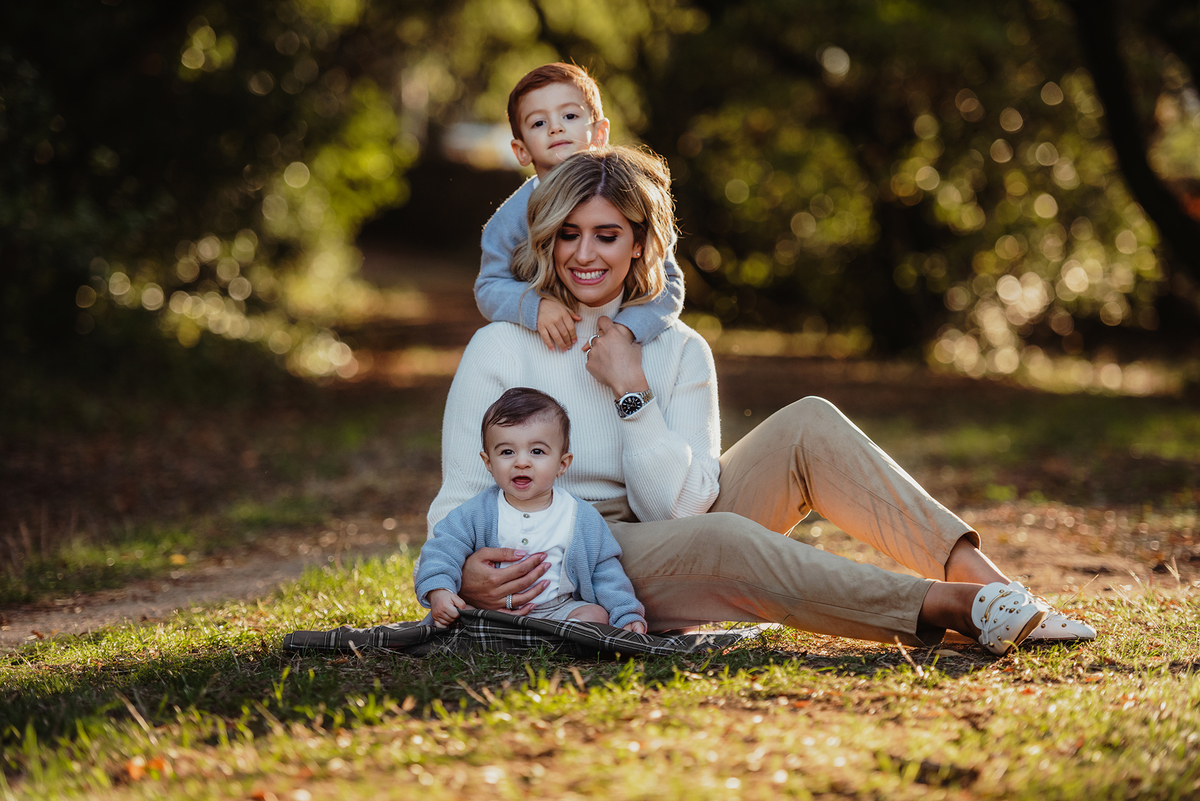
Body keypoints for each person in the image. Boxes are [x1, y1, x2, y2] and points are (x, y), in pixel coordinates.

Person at [426, 145, 1097, 656]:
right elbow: (460, 496)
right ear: (547, 240)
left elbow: (678, 506)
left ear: (639, 243)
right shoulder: (502, 346)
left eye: (607, 234)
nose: (585, 255)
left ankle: (994, 589)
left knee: (808, 422)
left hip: (669, 522)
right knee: (722, 538)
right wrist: (458, 574)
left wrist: (632, 390)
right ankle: (944, 606)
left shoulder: (679, 347)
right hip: (573, 551)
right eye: (568, 234)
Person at [474, 62, 685, 353]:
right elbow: (489, 287)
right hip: (547, 348)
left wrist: (626, 329)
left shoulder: (632, 198)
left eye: (570, 115)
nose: (556, 127)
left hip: (624, 346)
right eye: (539, 123)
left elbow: (669, 283)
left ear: (600, 133)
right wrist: (537, 307)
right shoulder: (511, 219)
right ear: (521, 151)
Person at [416, 387, 647, 633]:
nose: (522, 462)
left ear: (562, 464)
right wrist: (439, 590)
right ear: (488, 463)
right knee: (459, 616)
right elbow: (442, 550)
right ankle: (499, 633)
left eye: (537, 451)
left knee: (594, 614)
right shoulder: (475, 513)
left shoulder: (580, 517)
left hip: (557, 610)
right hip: (493, 611)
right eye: (507, 452)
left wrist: (626, 613)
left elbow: (606, 572)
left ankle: (563, 635)